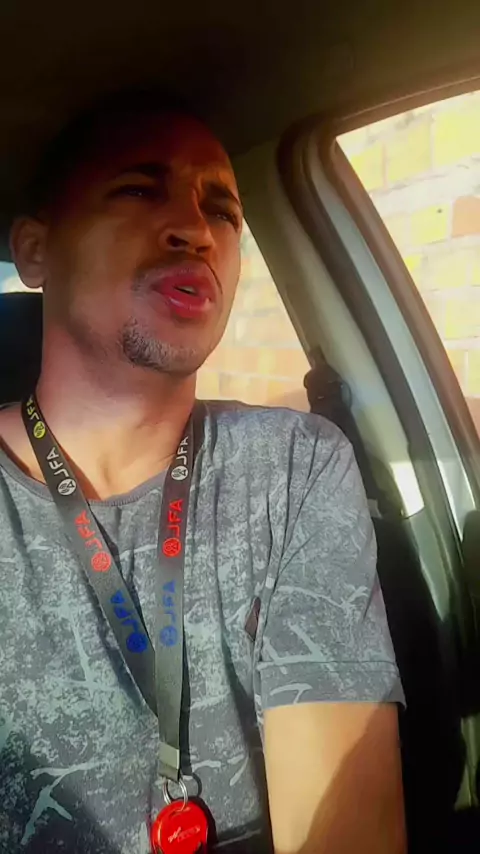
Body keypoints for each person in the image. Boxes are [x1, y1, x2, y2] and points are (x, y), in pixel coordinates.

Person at [0, 93, 406, 854]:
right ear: (34, 251)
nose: (197, 229)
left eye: (222, 210)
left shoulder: (296, 467)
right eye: (137, 189)